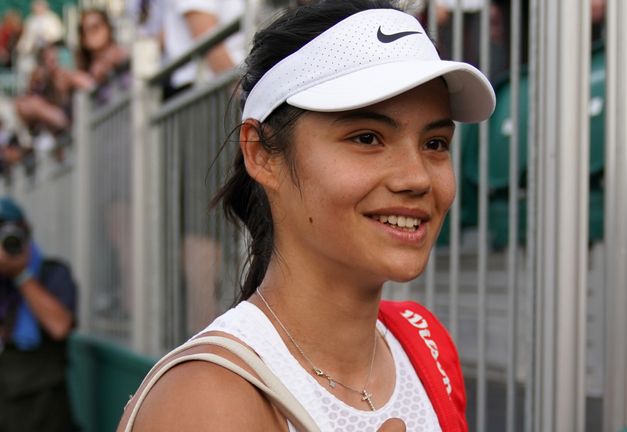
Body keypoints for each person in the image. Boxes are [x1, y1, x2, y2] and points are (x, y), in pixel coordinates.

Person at [119, 0, 494, 430]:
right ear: (260, 154)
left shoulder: (424, 343)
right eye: (367, 137)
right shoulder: (206, 402)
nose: (417, 178)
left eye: (435, 144)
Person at [0, 197, 78, 431]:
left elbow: (59, 326)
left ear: (26, 232)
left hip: (42, 412)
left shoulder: (52, 273)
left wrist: (21, 275)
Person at [76, 9, 129, 87]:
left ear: (108, 28)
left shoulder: (122, 56)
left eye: (95, 27)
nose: (91, 33)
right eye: (85, 29)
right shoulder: (84, 67)